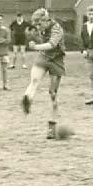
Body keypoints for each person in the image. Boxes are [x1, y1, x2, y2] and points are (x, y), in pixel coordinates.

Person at [21, 8, 66, 140]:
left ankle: (52, 127)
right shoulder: (40, 27)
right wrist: (32, 39)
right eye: (36, 24)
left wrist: (35, 47)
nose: (38, 27)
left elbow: (51, 44)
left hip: (57, 59)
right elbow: (39, 39)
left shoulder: (57, 28)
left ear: (46, 20)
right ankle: (27, 99)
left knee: (53, 94)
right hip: (44, 56)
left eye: (39, 24)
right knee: (34, 80)